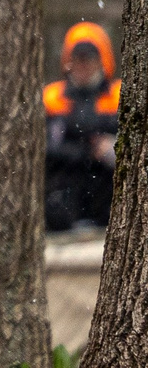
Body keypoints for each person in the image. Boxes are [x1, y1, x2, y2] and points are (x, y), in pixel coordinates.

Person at [45, 22, 120, 232]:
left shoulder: (119, 97)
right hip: (62, 206)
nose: (83, 66)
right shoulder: (52, 98)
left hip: (108, 204)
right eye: (78, 60)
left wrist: (115, 150)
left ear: (102, 61)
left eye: (90, 60)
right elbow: (44, 149)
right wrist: (85, 151)